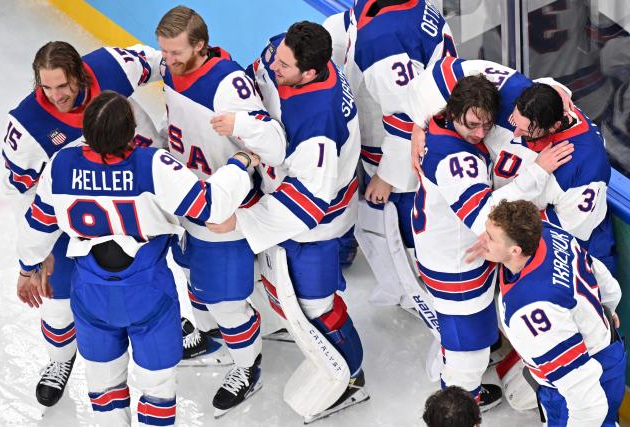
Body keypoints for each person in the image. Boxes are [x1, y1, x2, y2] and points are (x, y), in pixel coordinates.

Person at [16, 91, 258, 426]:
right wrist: (240, 164)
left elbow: (37, 227)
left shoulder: (60, 165)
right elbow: (213, 207)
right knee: (157, 387)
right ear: (130, 132)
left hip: (91, 295)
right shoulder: (153, 165)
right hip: (148, 294)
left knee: (103, 386)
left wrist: (28, 268)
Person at [211, 21, 365, 422]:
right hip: (282, 188)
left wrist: (243, 222)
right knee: (280, 284)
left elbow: (311, 201)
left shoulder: (319, 123)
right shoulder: (286, 52)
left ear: (310, 72)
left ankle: (352, 376)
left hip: (318, 222)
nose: (274, 64)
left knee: (316, 303)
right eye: (277, 57)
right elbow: (254, 79)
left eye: (284, 64)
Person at [142, 5, 287, 416]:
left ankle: (247, 366)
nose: (166, 61)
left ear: (200, 45)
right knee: (192, 278)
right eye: (163, 52)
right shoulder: (173, 68)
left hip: (225, 207)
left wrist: (241, 140)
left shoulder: (229, 85)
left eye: (174, 53)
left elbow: (271, 146)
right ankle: (207, 335)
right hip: (185, 197)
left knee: (227, 300)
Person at [2, 40, 162, 409]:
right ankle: (60, 360)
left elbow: (164, 62)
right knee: (56, 305)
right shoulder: (26, 126)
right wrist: (37, 255)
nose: (56, 96)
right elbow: (21, 191)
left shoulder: (111, 67)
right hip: (71, 220)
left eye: (63, 85)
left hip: (129, 202)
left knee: (146, 280)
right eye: (46, 87)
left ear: (78, 73)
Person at [413, 74, 573, 410]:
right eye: (472, 124)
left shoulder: (440, 120)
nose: (480, 133)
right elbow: (484, 217)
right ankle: (458, 405)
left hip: (451, 253)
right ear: (453, 111)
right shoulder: (457, 160)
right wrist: (538, 172)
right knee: (466, 353)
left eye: (486, 124)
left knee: (465, 338)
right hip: (457, 268)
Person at [407, 58, 616, 274]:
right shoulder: (510, 90)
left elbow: (564, 236)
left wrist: (502, 236)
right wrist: (419, 122)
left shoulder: (584, 166)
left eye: (526, 132)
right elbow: (439, 75)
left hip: (568, 253)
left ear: (554, 127)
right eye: (515, 123)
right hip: (505, 238)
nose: (515, 134)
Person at [323, 0, 457, 304]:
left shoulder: (385, 39)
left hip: (409, 153)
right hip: (418, 137)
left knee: (406, 229)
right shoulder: (407, 7)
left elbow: (407, 119)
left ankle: (422, 296)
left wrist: (387, 176)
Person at [476, 200, 625, 426]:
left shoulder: (531, 308)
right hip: (608, 351)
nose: (481, 240)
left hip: (585, 386)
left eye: (489, 236)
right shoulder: (546, 232)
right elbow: (601, 274)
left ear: (515, 250)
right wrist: (607, 307)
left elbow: (587, 402)